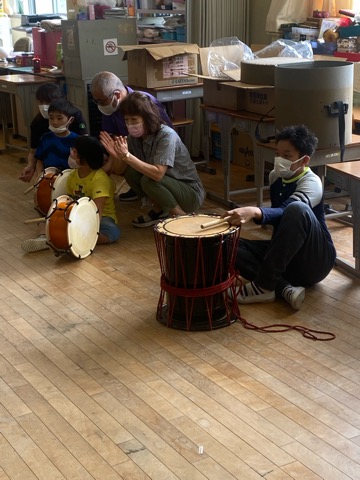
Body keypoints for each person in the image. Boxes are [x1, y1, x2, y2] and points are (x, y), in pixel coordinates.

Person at [224, 124, 336, 310]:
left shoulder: (312, 182)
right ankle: (283, 288)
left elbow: (287, 211)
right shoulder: (276, 176)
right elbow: (279, 220)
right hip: (286, 259)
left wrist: (255, 211)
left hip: (315, 261)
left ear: (304, 160)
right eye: (278, 154)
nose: (279, 160)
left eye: (287, 156)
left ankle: (263, 285)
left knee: (297, 209)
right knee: (226, 243)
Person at [99, 91, 205, 228]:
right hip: (165, 186)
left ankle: (180, 215)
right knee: (131, 172)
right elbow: (120, 171)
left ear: (146, 118)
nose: (130, 125)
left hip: (190, 194)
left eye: (134, 120)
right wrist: (115, 155)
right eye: (126, 120)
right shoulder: (133, 139)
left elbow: (158, 173)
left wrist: (127, 156)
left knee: (149, 180)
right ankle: (159, 211)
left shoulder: (166, 135)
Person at [21, 136, 120, 252]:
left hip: (101, 217)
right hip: (78, 214)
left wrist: (80, 226)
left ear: (84, 157)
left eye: (74, 151)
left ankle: (56, 239)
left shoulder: (100, 180)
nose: (71, 154)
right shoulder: (72, 175)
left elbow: (97, 211)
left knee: (113, 232)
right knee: (47, 220)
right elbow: (69, 200)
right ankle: (50, 238)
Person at [90, 71, 173, 201]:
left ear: (116, 95)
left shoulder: (145, 102)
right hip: (129, 149)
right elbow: (112, 139)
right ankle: (138, 189)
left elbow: (166, 134)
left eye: (101, 101)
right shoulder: (110, 108)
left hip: (154, 150)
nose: (100, 105)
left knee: (149, 175)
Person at [19, 83, 87, 183]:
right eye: (41, 101)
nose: (44, 106)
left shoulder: (75, 115)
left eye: (48, 101)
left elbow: (85, 143)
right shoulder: (37, 123)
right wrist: (32, 168)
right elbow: (35, 151)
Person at [31, 99, 79, 173]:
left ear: (70, 120)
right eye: (51, 118)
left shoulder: (76, 140)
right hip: (48, 177)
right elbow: (40, 160)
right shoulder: (45, 138)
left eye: (59, 118)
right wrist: (40, 176)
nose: (55, 122)